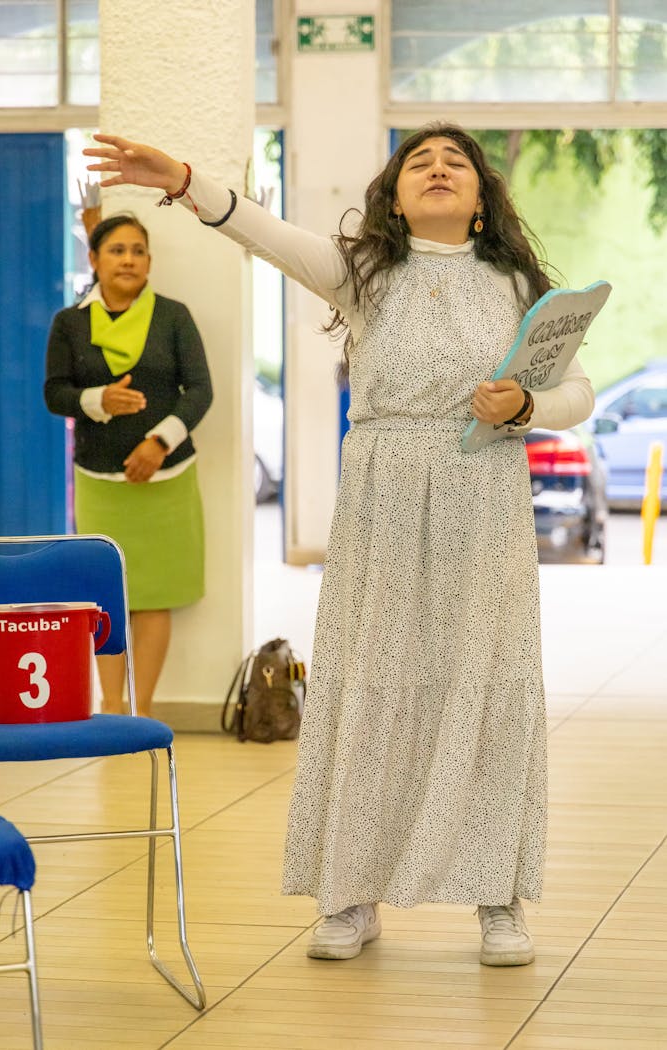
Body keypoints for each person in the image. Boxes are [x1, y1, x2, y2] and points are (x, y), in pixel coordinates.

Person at [85, 124, 594, 965]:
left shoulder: (518, 284)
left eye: (456, 161)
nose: (438, 168)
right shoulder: (365, 273)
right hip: (383, 497)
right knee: (370, 682)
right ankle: (350, 893)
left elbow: (576, 390)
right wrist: (181, 178)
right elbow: (262, 231)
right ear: (394, 196)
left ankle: (498, 899)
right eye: (419, 161)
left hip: (484, 494)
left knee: (489, 683)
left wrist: (527, 409)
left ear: (482, 200)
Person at [45, 214, 213, 718]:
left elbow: (200, 390)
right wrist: (98, 399)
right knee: (105, 596)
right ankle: (112, 709)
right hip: (99, 480)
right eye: (117, 250)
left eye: (138, 251)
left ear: (149, 262)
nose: (129, 260)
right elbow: (55, 394)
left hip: (166, 478)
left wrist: (159, 442)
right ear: (94, 259)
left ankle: (142, 711)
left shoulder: (173, 316)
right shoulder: (70, 323)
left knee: (155, 594)